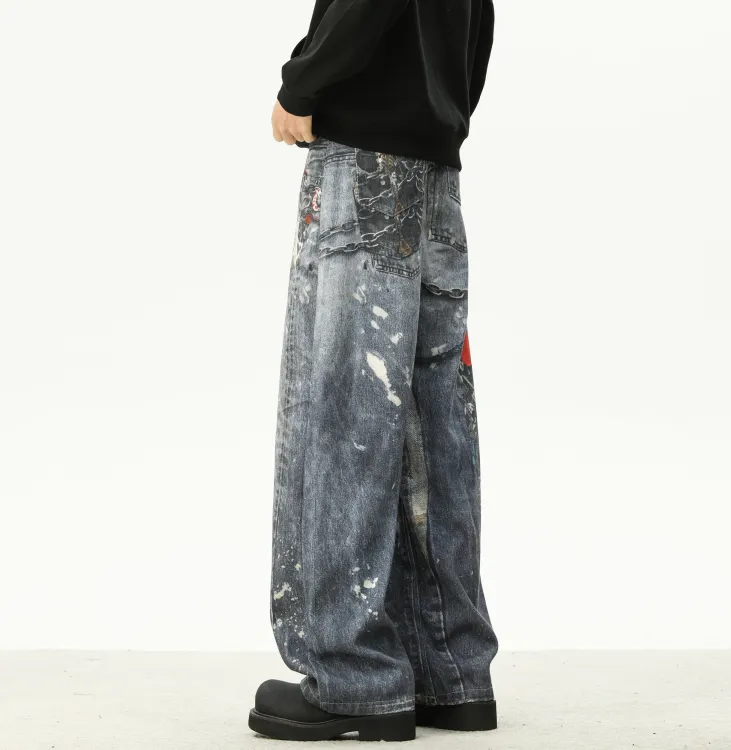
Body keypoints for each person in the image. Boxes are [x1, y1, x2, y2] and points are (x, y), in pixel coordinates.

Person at [248, 0, 497, 742]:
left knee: (347, 411)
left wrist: (303, 83)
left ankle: (354, 678)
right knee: (432, 420)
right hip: (434, 168)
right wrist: (442, 116)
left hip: (360, 165)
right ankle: (449, 673)